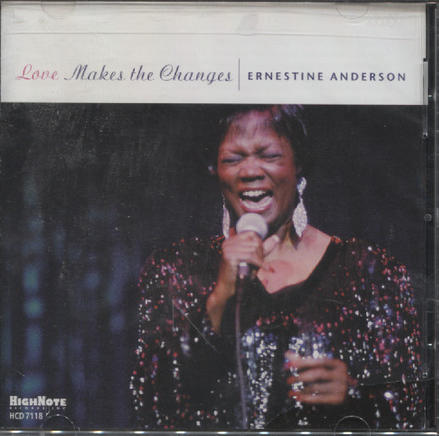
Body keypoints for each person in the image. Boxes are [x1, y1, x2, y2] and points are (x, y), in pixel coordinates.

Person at [130, 105, 423, 430]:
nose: (250, 171)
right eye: (232, 159)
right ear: (216, 170)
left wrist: (356, 396)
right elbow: (151, 403)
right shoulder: (176, 268)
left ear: (299, 163)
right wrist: (220, 296)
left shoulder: (368, 270)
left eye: (268, 155)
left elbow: (411, 411)